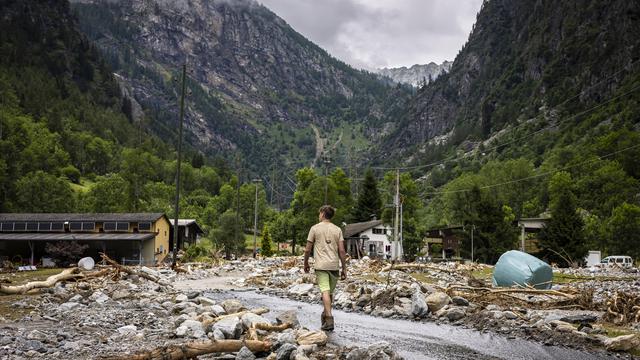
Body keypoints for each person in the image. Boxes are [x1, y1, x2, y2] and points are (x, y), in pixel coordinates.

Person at [304, 205, 347, 331]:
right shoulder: (338, 229)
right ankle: (324, 315)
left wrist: (305, 263)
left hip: (321, 266)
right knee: (329, 293)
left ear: (322, 214)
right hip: (334, 266)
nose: (319, 215)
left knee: (325, 292)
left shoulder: (314, 229)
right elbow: (342, 250)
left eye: (319, 213)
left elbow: (307, 249)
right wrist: (344, 268)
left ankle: (329, 319)